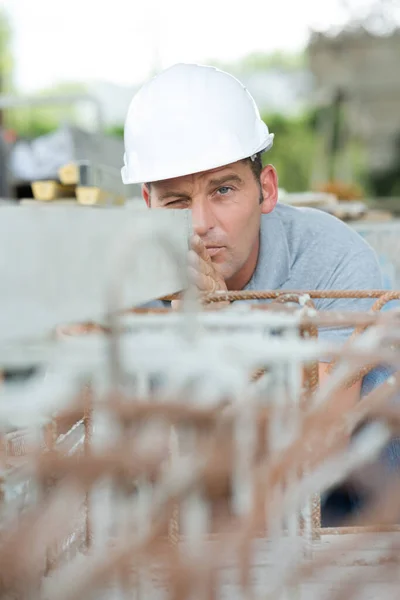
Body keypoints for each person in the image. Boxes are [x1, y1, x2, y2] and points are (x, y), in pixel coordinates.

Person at [122, 63, 394, 521]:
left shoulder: (332, 258)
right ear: (149, 206)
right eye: (177, 202)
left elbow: (320, 446)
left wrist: (218, 323)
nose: (201, 224)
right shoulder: (129, 280)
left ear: (266, 190)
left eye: (223, 190)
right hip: (198, 503)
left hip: (336, 497)